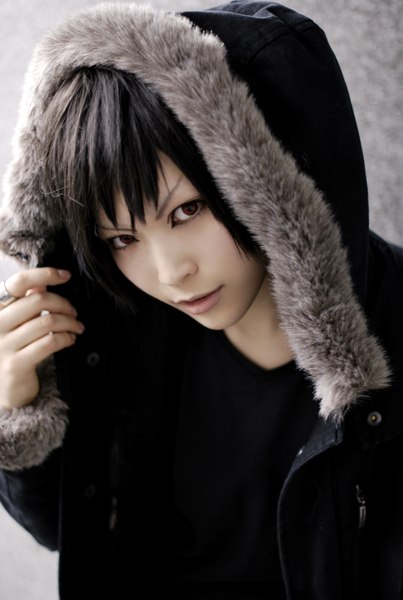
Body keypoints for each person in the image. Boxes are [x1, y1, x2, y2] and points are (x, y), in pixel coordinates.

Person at [0, 1, 402, 598]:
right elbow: (72, 535)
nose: (171, 273)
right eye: (122, 239)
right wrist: (20, 404)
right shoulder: (122, 332)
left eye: (187, 210)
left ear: (274, 176)